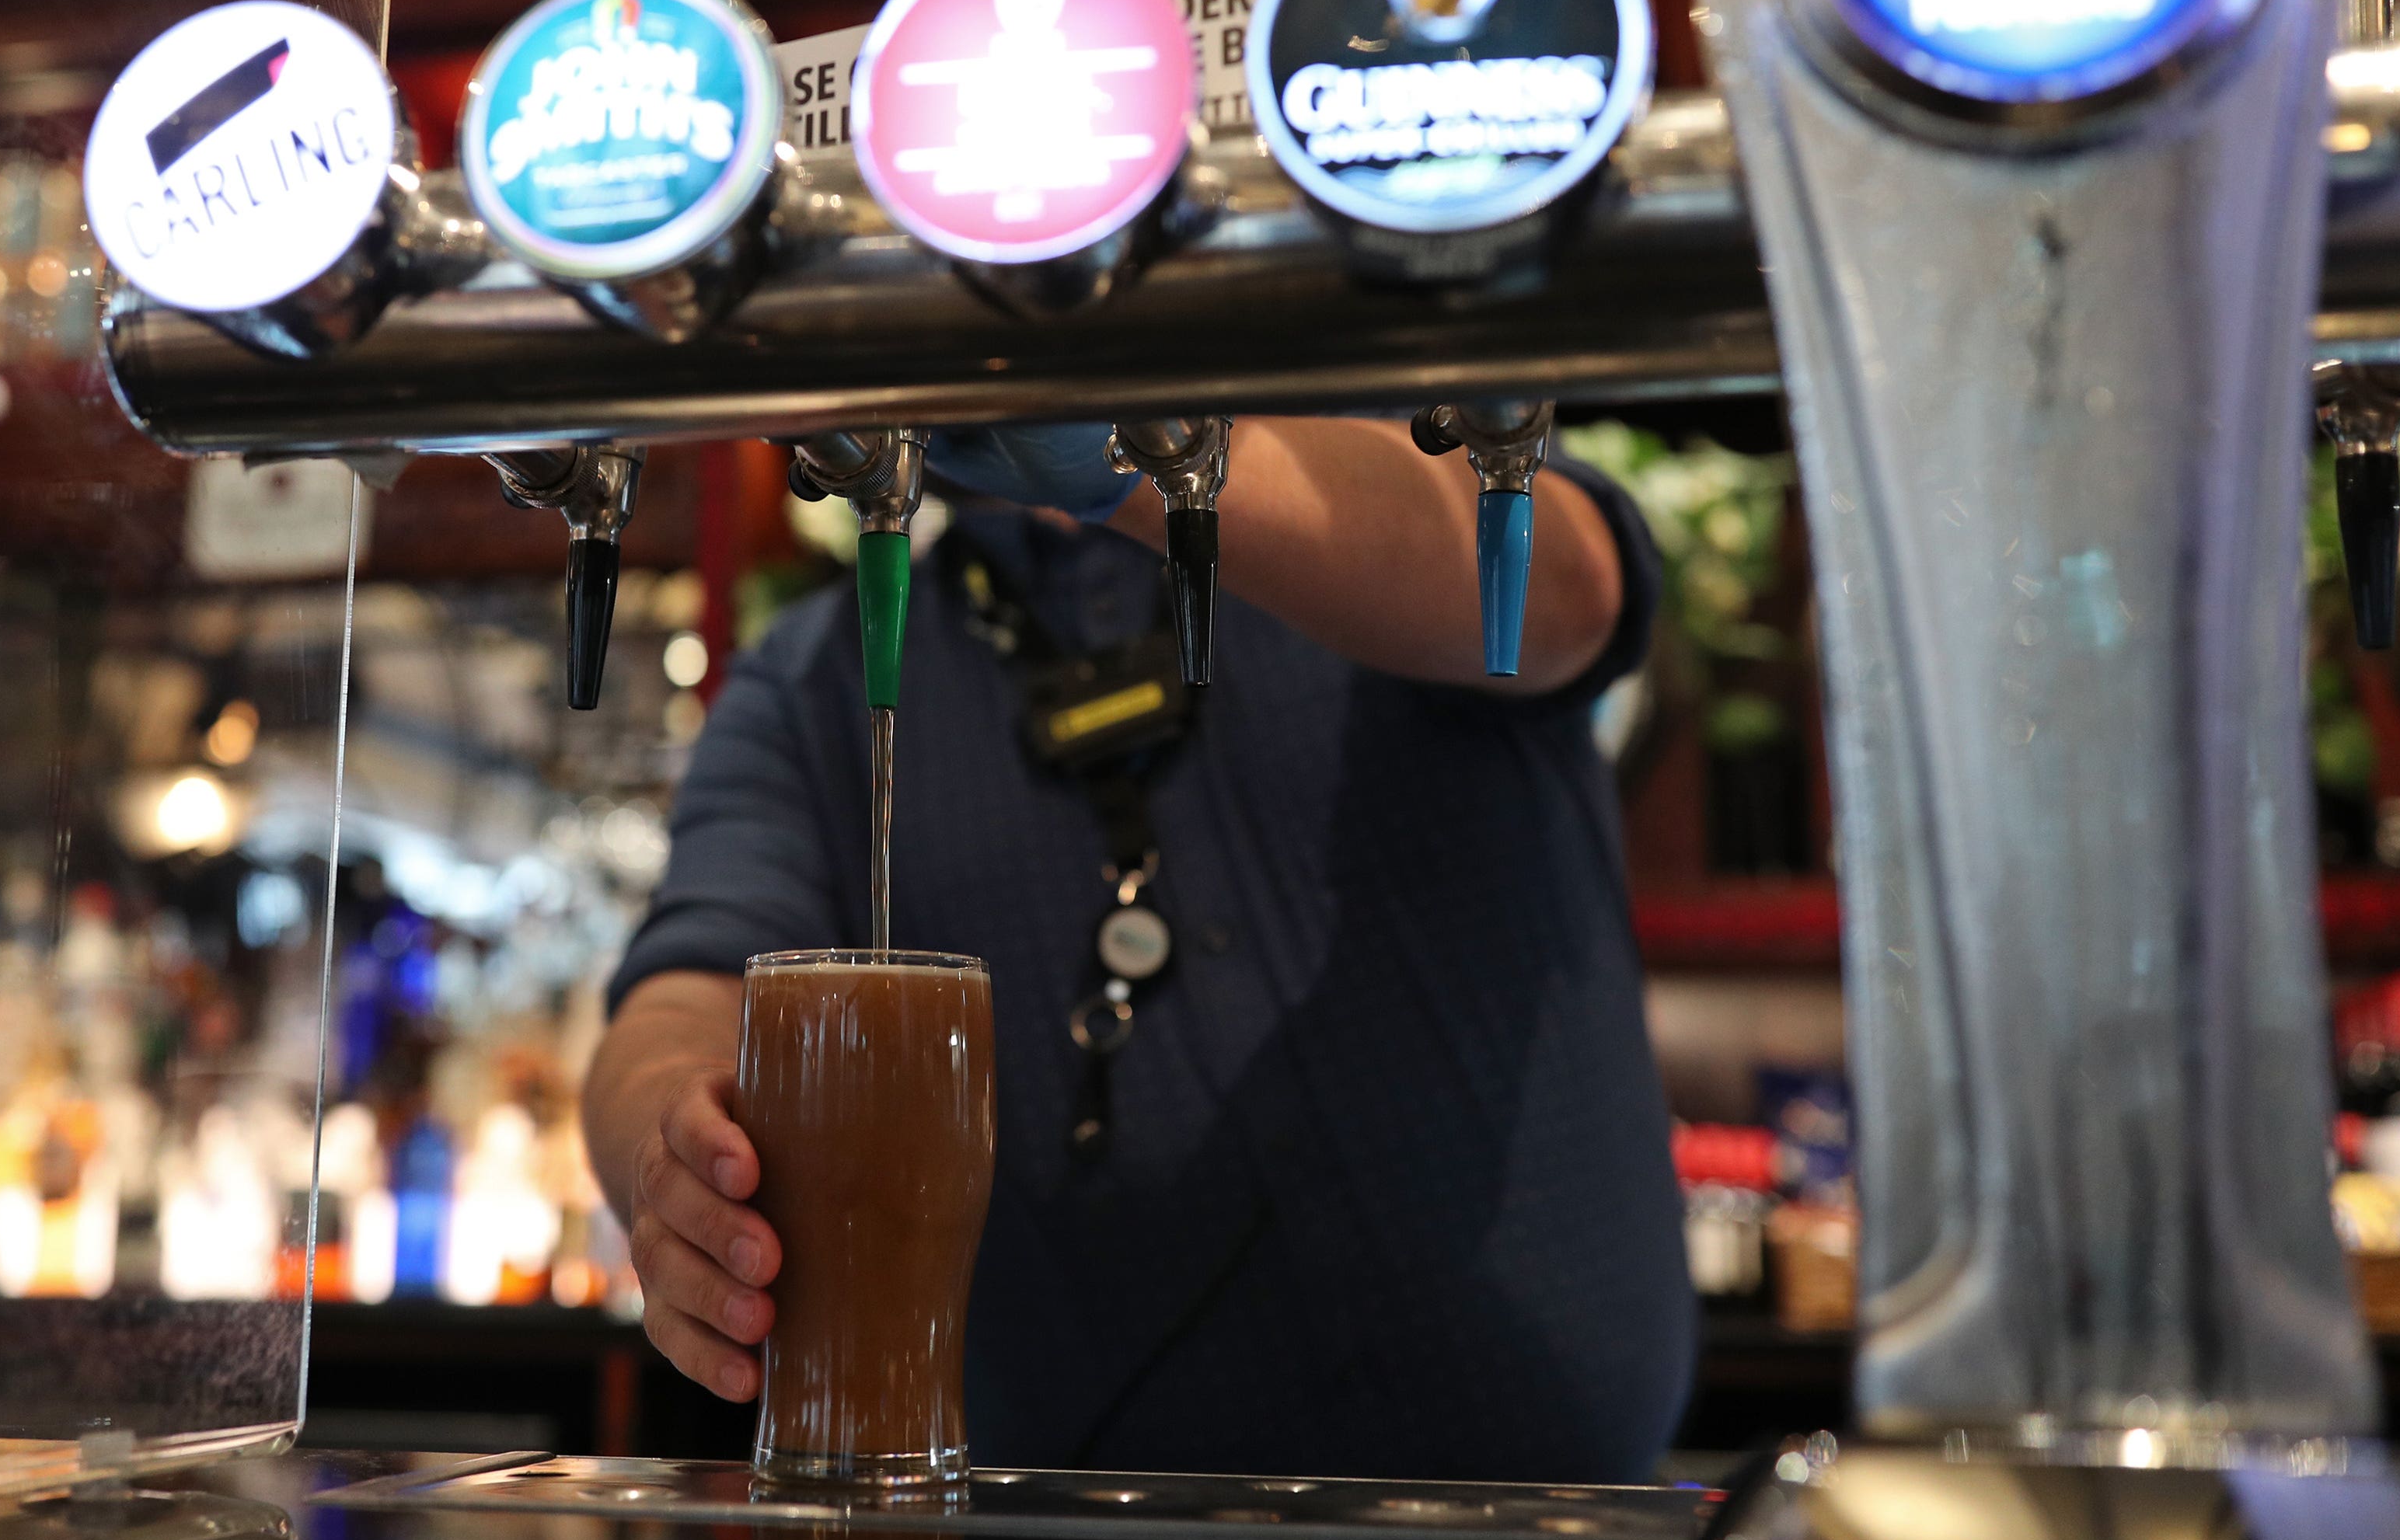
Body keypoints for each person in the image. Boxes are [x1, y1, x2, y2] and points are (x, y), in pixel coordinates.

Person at [581, 419, 1694, 1482]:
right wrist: (671, 1147)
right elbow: (682, 989)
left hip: (1551, 1517)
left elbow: (1573, 591)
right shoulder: (812, 683)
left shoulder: (1368, 492)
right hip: (1077, 1524)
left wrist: (1163, 447)